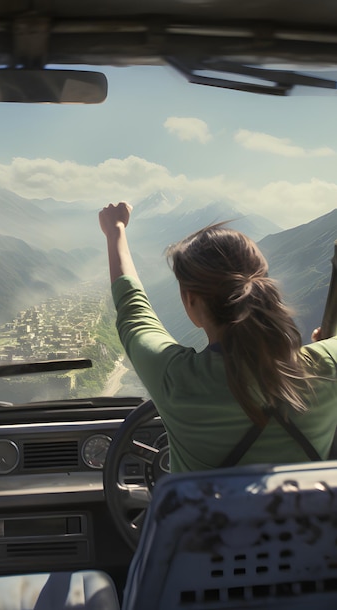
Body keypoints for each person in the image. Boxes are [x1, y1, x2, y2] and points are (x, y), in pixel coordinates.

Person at [99, 201, 337, 473]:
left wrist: (115, 229)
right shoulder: (326, 368)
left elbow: (133, 309)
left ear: (190, 300)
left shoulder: (176, 379)